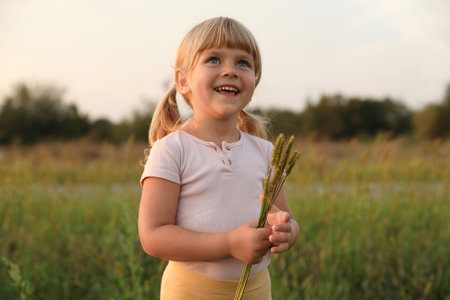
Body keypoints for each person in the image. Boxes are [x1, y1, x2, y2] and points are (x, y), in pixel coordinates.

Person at [138, 16, 299, 300]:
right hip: (190, 291)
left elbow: (283, 215)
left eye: (243, 63)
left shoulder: (265, 153)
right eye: (214, 59)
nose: (230, 71)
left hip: (256, 289)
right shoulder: (172, 150)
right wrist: (229, 243)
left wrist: (286, 231)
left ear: (254, 81)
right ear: (183, 80)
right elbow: (153, 235)